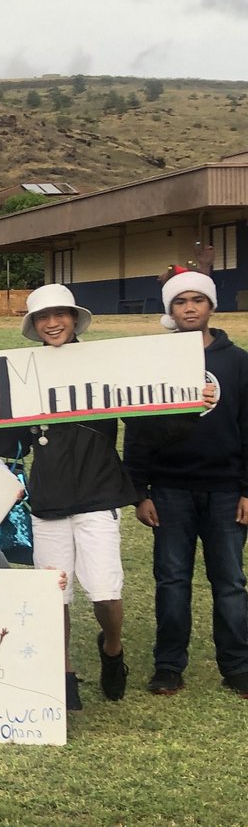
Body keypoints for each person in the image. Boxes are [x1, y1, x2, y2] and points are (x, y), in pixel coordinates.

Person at [0, 285, 135, 711]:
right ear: (34, 325)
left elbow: (147, 410)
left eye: (59, 314)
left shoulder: (102, 364)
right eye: (43, 318)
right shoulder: (23, 371)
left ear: (74, 318)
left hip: (98, 493)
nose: (52, 324)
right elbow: (10, 444)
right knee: (54, 594)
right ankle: (63, 673)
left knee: (104, 591)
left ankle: (113, 648)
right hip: (48, 499)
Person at [126, 268, 248, 699]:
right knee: (172, 580)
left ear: (211, 305)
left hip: (226, 490)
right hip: (170, 489)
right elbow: (138, 429)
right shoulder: (154, 360)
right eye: (180, 301)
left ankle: (238, 666)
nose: (190, 308)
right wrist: (140, 492)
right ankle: (168, 666)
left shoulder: (238, 362)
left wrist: (247, 489)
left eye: (198, 300)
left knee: (229, 582)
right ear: (170, 310)